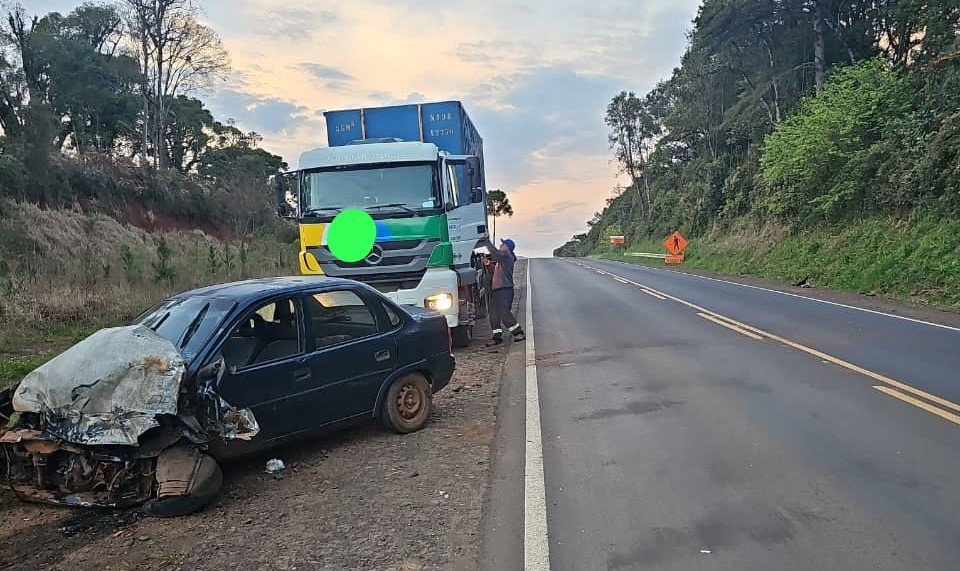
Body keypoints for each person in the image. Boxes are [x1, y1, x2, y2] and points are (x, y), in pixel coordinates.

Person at [483, 237, 525, 346]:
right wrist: (488, 265)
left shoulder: (507, 256)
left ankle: (518, 333)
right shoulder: (503, 259)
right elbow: (495, 273)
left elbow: (495, 253)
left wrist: (486, 242)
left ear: (507, 247)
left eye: (503, 244)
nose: (500, 245)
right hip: (497, 291)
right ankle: (497, 337)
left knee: (504, 313)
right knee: (493, 315)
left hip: (505, 291)